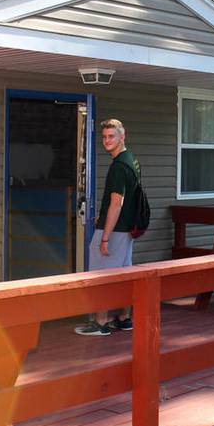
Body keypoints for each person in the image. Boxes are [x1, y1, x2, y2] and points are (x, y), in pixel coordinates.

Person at [75, 118, 141, 336]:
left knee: (100, 276)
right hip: (126, 230)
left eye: (111, 136)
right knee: (123, 274)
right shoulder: (131, 160)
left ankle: (101, 323)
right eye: (104, 137)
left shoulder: (119, 167)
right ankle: (124, 318)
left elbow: (116, 203)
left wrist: (105, 237)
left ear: (123, 136)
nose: (107, 140)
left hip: (114, 231)